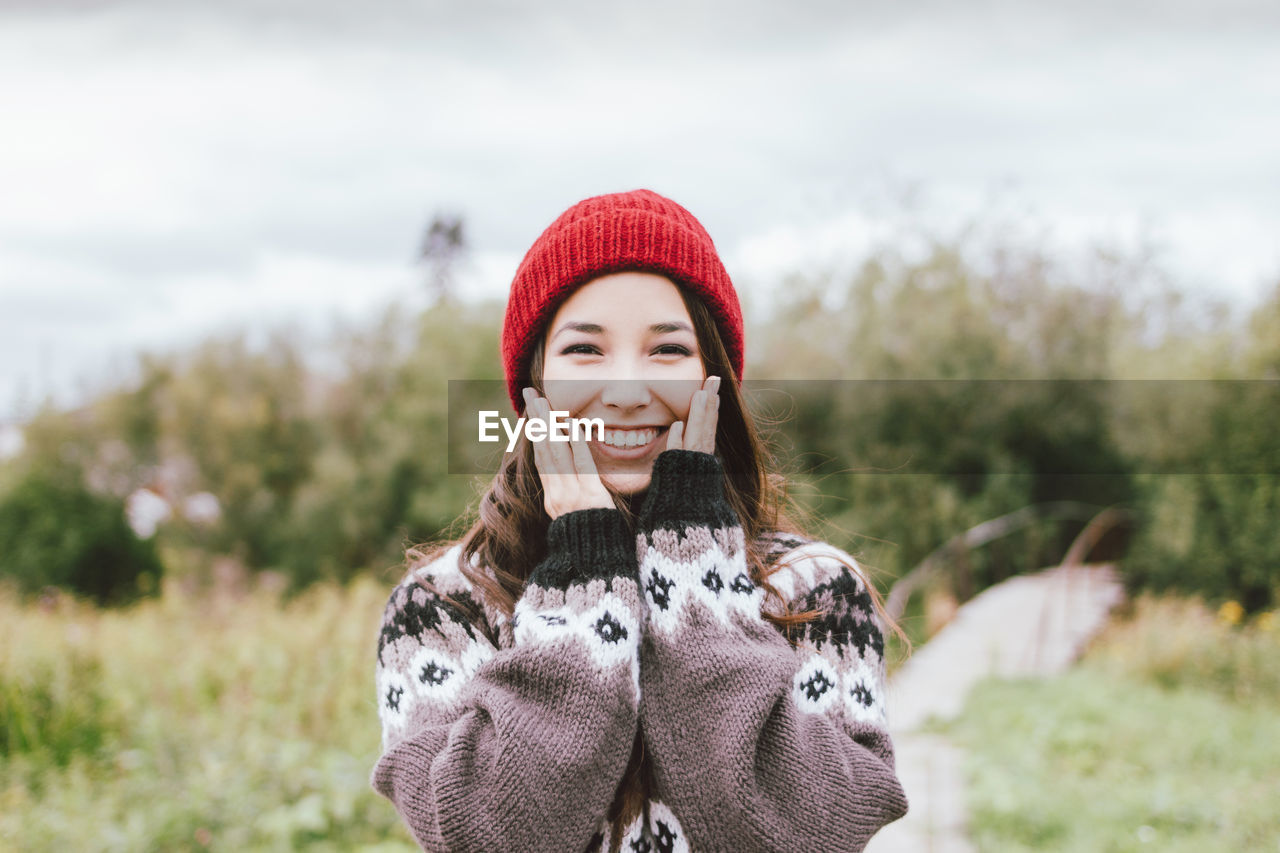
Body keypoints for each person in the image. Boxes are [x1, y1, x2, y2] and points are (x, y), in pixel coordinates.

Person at [371, 189, 909, 852]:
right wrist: (584, 578)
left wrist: (693, 570)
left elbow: (809, 834)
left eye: (666, 351)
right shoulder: (438, 606)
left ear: (713, 376)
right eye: (585, 351)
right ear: (532, 385)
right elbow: (485, 835)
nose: (626, 392)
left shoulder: (816, 588)